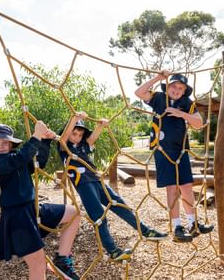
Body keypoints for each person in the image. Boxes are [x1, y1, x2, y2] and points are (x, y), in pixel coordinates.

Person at [57, 112, 167, 262]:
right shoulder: (64, 147)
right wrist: (74, 119)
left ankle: (145, 231)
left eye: (79, 134)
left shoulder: (83, 145)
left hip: (96, 180)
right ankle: (112, 250)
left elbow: (92, 137)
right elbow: (63, 138)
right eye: (73, 133)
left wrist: (101, 125)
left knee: (120, 204)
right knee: (99, 216)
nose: (76, 137)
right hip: (84, 184)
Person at [0, 122, 80, 280]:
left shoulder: (15, 157)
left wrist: (45, 141)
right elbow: (19, 159)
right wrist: (36, 135)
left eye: (5, 143)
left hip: (33, 209)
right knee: (38, 267)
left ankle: (62, 258)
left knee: (73, 213)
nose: (0, 146)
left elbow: (37, 163)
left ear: (11, 144)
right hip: (17, 218)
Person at [134, 71, 214, 243]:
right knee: (172, 188)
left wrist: (182, 114)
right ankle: (177, 227)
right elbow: (139, 93)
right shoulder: (158, 98)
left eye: (181, 88)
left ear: (184, 91)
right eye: (174, 86)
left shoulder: (187, 103)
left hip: (181, 150)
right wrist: (158, 78)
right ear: (168, 87)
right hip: (163, 150)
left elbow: (199, 123)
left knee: (186, 186)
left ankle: (193, 224)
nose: (177, 90)